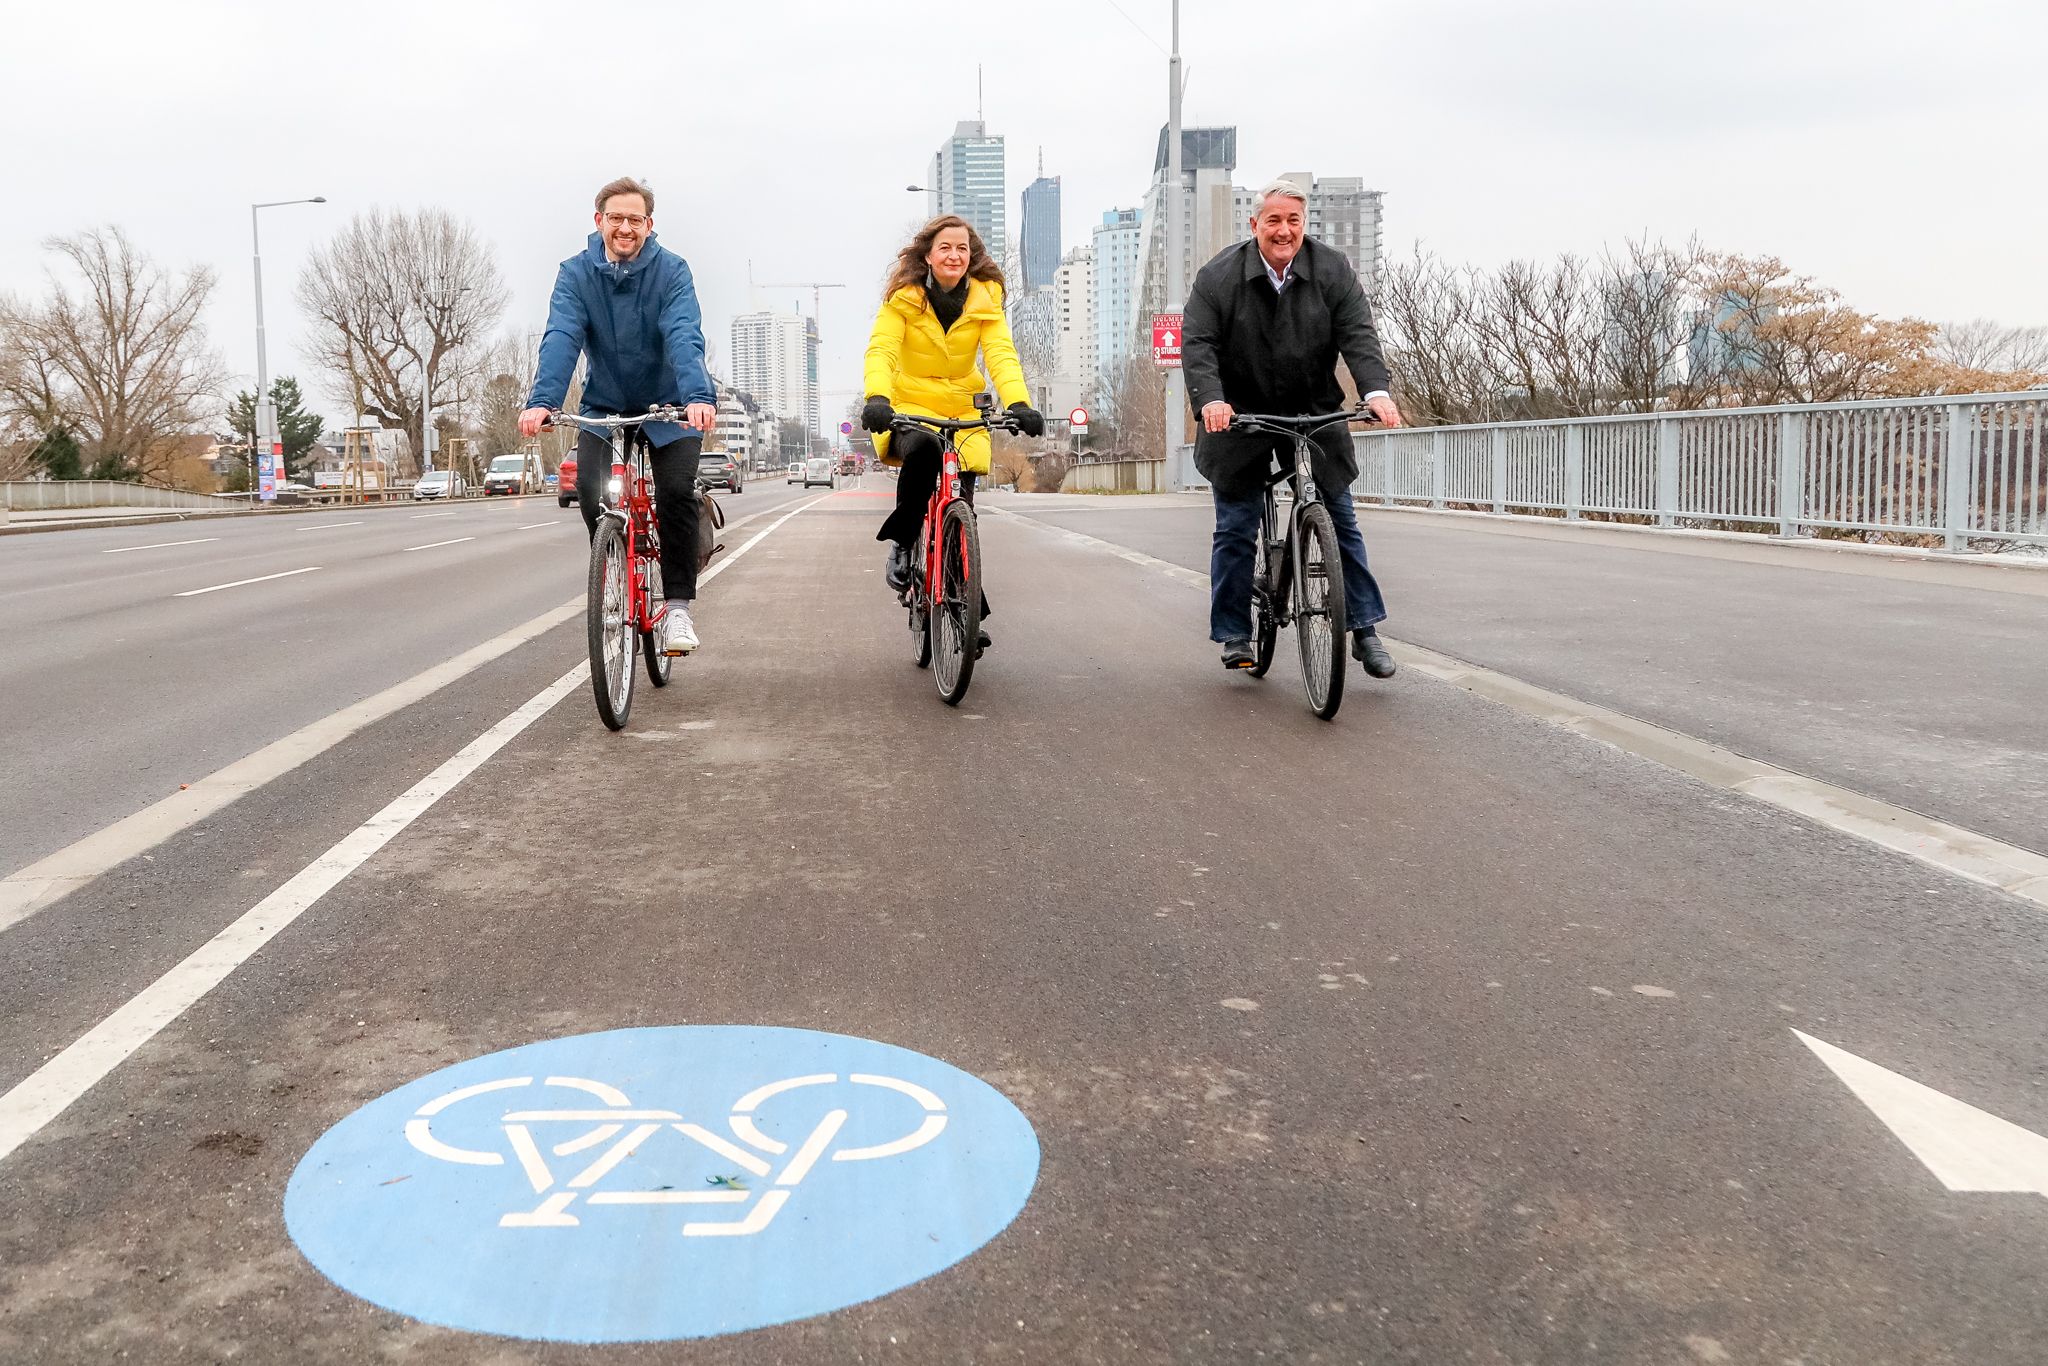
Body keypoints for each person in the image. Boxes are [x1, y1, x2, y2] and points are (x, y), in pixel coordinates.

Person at [1182, 179, 1405, 678]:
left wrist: (1376, 392)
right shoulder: (1218, 276)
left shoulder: (1331, 269)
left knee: (1340, 515)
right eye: (1274, 220)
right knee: (1236, 524)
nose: (1284, 231)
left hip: (1312, 405)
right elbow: (1197, 344)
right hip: (1239, 413)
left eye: (1294, 221)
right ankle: (1235, 630)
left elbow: (1358, 335)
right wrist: (1212, 400)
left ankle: (1365, 629)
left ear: (1305, 225)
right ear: (1254, 224)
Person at [519, 176, 717, 655]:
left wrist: (697, 395)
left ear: (649, 225)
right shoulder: (575, 273)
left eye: (634, 219)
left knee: (673, 495)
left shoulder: (672, 271)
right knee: (591, 494)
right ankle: (614, 573)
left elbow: (682, 332)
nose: (624, 227)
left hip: (670, 405)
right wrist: (542, 401)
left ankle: (676, 611)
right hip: (605, 405)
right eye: (615, 218)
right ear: (599, 222)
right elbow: (562, 335)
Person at [859, 215, 1043, 649]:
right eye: (945, 247)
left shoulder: (985, 300)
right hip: (909, 406)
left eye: (962, 248)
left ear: (970, 256)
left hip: (962, 410)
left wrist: (1019, 403)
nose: (954, 255)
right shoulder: (902, 299)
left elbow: (1001, 354)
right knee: (921, 451)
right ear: (928, 254)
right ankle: (903, 542)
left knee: (961, 509)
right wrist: (878, 399)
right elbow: (882, 349)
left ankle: (964, 608)